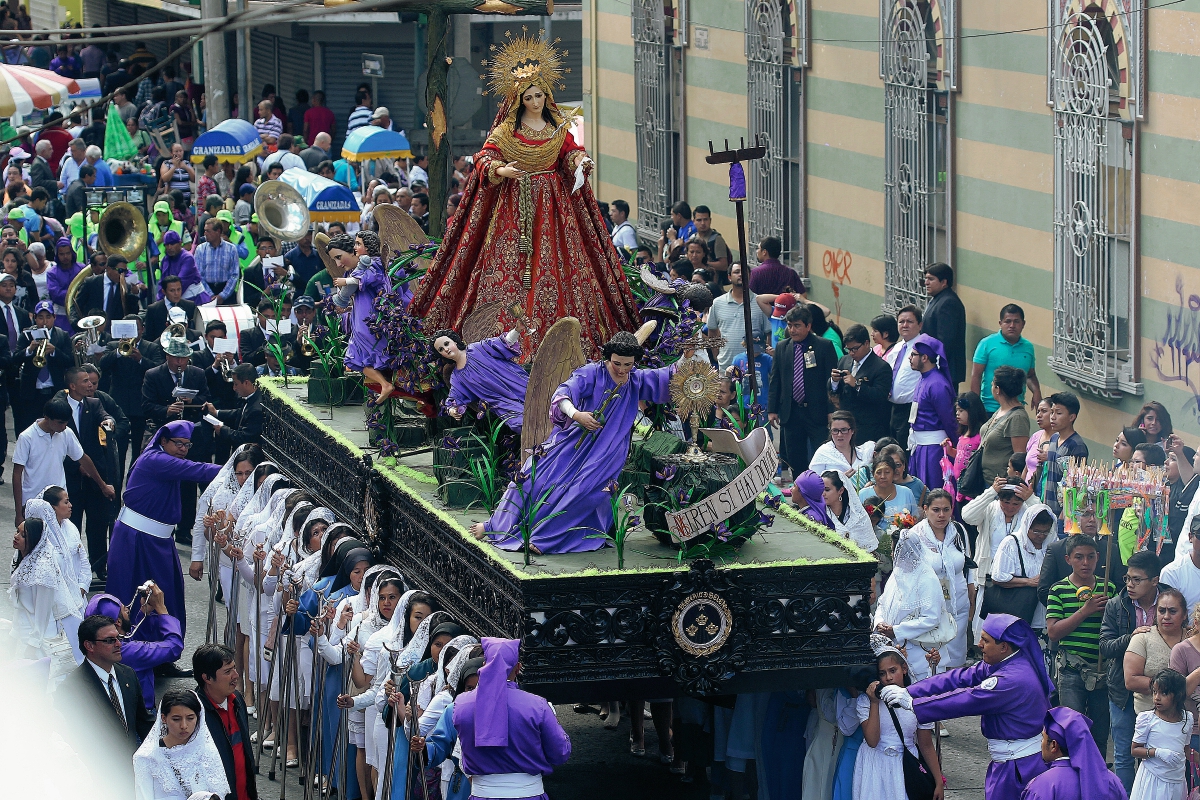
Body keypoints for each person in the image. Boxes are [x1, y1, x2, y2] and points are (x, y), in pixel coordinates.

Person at [409, 37, 640, 360]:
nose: (535, 101)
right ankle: (504, 341)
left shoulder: (557, 127)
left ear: (547, 96)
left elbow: (570, 152)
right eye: (529, 97)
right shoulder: (506, 130)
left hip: (555, 208)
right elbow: (484, 157)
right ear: (519, 100)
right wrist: (501, 171)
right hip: (514, 208)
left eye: (540, 95)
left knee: (564, 266)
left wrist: (580, 162)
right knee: (509, 268)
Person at [471, 329, 676, 553]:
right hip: (572, 441)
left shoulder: (636, 379)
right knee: (530, 478)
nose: (622, 370)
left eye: (628, 365)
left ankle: (545, 538)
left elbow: (670, 377)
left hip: (607, 451)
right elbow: (562, 396)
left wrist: (690, 353)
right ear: (608, 358)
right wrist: (578, 415)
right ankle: (497, 527)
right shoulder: (591, 373)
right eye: (618, 363)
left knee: (584, 490)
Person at [881, 613, 1053, 800]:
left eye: (985, 641)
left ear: (1004, 647)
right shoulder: (1007, 661)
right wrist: (912, 691)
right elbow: (958, 678)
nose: (979, 644)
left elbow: (968, 700)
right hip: (1012, 761)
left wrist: (913, 704)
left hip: (1019, 766)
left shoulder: (1011, 679)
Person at [108, 421, 224, 639]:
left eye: (187, 445)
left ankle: (164, 651)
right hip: (137, 539)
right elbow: (198, 470)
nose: (182, 449)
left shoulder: (164, 459)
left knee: (167, 596)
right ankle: (129, 647)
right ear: (163, 441)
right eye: (178, 443)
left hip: (159, 540)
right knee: (135, 596)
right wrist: (236, 469)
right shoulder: (156, 460)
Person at [450, 638, 571, 799]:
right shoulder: (538, 705)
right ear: (518, 668)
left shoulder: (462, 703)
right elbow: (560, 753)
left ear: (485, 665)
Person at [57, 614, 157, 796]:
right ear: (89, 646)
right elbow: (76, 741)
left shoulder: (127, 675)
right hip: (100, 780)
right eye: (110, 640)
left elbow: (143, 723)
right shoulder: (71, 689)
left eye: (118, 638)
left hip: (133, 773)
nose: (118, 644)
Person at [1100, 550, 1169, 793]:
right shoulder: (1116, 605)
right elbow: (1105, 646)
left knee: (1158, 753)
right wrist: (1130, 638)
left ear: (1155, 581)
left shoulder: (1169, 603)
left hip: (1159, 694)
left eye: (1137, 580)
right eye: (1127, 578)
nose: (1130, 584)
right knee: (1123, 755)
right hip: (1122, 691)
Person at [1046, 533, 1116, 752]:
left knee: (1100, 733)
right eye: (1079, 557)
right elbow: (1054, 632)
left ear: (1098, 559)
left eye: (1090, 557)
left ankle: (1096, 779)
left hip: (1102, 670)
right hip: (1071, 669)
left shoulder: (1108, 589)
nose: (1085, 563)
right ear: (1068, 560)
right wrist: (1085, 611)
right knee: (1071, 729)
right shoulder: (1058, 590)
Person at [855, 634, 943, 800]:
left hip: (906, 764)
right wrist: (874, 702)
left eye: (892, 671)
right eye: (882, 673)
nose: (888, 677)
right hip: (876, 765)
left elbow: (926, 745)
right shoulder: (865, 702)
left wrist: (938, 781)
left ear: (904, 669)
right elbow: (872, 741)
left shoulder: (915, 701)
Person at [12, 395, 113, 525]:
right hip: (33, 502)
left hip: (58, 502)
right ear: (47, 418)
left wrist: (103, 485)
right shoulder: (27, 437)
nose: (64, 426)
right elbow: (17, 474)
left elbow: (83, 459)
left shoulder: (66, 433)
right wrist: (18, 512)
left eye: (66, 422)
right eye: (60, 422)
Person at [84, 583, 185, 710]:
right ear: (118, 622)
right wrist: (161, 608)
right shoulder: (124, 651)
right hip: (141, 714)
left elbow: (130, 636)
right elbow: (174, 647)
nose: (127, 609)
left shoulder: (101, 643)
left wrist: (144, 612)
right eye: (123, 609)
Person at [768, 303, 838, 475]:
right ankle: (800, 487)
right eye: (790, 325)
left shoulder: (824, 346)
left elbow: (831, 382)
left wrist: (831, 410)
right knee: (794, 456)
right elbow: (775, 379)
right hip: (791, 412)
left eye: (797, 326)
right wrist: (772, 409)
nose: (792, 330)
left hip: (817, 410)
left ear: (808, 326)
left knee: (820, 453)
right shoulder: (782, 347)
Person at [328, 232, 396, 403]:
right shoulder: (354, 271)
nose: (337, 264)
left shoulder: (372, 265)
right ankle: (383, 384)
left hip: (370, 320)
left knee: (358, 354)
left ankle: (386, 383)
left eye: (339, 257)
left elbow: (371, 282)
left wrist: (348, 283)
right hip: (361, 318)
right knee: (356, 356)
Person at [911, 489, 975, 670]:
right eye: (936, 510)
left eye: (946, 510)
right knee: (932, 655)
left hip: (958, 602)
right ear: (925, 509)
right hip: (929, 605)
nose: (941, 515)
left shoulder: (959, 531)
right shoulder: (915, 535)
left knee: (956, 653)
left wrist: (972, 590)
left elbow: (968, 563)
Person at [873, 534, 947, 682]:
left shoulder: (927, 578)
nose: (893, 554)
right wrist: (879, 623)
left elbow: (932, 617)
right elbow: (882, 603)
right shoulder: (897, 573)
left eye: (894, 550)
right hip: (894, 648)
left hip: (920, 652)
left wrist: (896, 630)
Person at [134, 689, 231, 800]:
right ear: (164, 718)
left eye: (190, 718)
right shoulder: (147, 757)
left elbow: (219, 792)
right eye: (176, 719)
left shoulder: (206, 751)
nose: (184, 725)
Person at [434, 322, 531, 431]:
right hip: (503, 403)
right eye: (441, 349)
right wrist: (451, 409)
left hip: (518, 385)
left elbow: (502, 343)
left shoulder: (478, 348)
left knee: (544, 402)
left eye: (446, 344)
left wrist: (517, 330)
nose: (446, 349)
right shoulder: (457, 377)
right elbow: (455, 397)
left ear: (455, 341)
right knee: (521, 423)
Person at [194, 643, 258, 800]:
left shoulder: (237, 701)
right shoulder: (193, 713)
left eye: (234, 668)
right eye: (228, 671)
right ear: (207, 678)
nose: (236, 675)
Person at [1020, 706, 1126, 800]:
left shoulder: (1042, 786)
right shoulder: (1112, 781)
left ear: (1054, 745)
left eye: (1043, 738)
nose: (1041, 743)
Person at [906, 334, 958, 490]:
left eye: (914, 354)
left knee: (933, 493)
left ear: (924, 358)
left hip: (933, 451)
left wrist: (957, 448)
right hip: (919, 447)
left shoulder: (937, 384)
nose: (910, 358)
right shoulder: (923, 378)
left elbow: (949, 421)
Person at [829, 324, 892, 443]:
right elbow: (835, 390)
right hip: (845, 425)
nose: (851, 353)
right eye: (848, 349)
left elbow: (880, 396)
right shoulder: (845, 360)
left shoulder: (881, 367)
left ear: (866, 343)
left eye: (855, 349)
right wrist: (834, 381)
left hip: (867, 427)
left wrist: (857, 385)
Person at [1037, 391, 1088, 532]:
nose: (1053, 417)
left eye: (1058, 413)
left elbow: (1075, 485)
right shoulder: (1054, 438)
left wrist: (1063, 513)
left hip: (1061, 514)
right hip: (1046, 506)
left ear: (1072, 417)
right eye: (1052, 412)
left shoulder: (1076, 446)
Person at [977, 365, 1032, 486]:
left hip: (1000, 484)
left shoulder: (1017, 417)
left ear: (997, 389)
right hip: (984, 480)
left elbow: (1019, 456)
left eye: (992, 384)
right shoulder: (1001, 410)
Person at [708, 261, 770, 371]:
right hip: (726, 365)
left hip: (755, 367)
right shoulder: (717, 303)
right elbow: (712, 331)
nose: (740, 274)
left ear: (750, 276)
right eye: (736, 272)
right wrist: (716, 355)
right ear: (729, 277)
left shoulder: (760, 303)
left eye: (744, 272)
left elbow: (768, 333)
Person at [919, 263, 966, 385]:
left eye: (931, 279)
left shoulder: (948, 303)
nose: (926, 283)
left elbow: (945, 341)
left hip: (944, 370)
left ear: (944, 282)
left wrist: (935, 367)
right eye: (926, 279)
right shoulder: (938, 299)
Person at [808, 410, 874, 490]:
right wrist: (839, 479)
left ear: (852, 430)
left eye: (844, 430)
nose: (839, 434)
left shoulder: (864, 452)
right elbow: (813, 483)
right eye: (835, 430)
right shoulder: (823, 452)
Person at [887, 305, 923, 447]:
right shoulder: (897, 348)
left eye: (910, 321)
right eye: (901, 322)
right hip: (893, 409)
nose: (905, 325)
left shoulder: (924, 347)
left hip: (913, 409)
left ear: (920, 325)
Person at [822, 470, 879, 553]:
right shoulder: (819, 514)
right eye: (821, 489)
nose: (823, 494)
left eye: (827, 490)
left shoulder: (859, 517)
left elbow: (870, 549)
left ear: (841, 490)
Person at [194, 218, 241, 304]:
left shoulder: (231, 249)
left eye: (208, 231)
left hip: (227, 292)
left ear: (218, 231)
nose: (205, 234)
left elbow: (234, 275)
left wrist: (223, 295)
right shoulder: (200, 249)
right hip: (206, 291)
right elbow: (198, 275)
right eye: (204, 231)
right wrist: (210, 295)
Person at [1162, 518, 1200, 619]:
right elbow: (1167, 616)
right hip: (1184, 633)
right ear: (1190, 537)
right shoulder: (1172, 573)